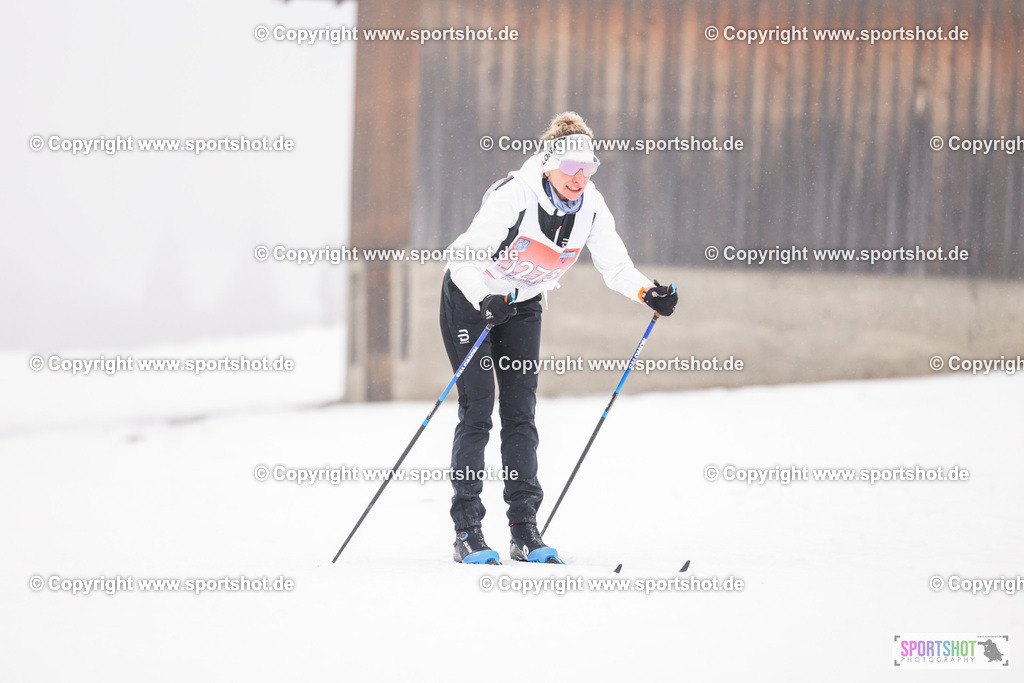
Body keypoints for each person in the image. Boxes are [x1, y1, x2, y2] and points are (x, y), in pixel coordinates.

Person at [439, 112, 677, 565]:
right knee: (478, 411)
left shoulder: (590, 205)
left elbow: (616, 267)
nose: (579, 177)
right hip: (473, 299)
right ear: (548, 164)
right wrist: (485, 296)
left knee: (521, 414)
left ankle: (524, 530)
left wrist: (649, 292)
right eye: (570, 168)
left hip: (523, 303)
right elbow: (461, 256)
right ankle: (467, 530)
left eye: (588, 167)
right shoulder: (516, 195)